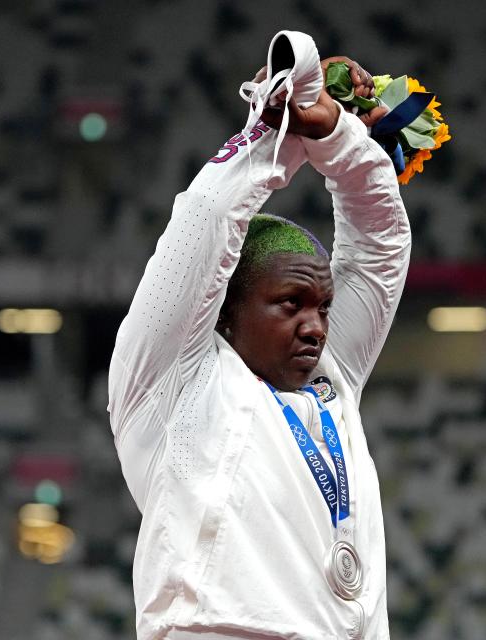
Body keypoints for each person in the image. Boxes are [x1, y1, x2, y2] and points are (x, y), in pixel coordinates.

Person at [108, 49, 411, 639]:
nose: (316, 327)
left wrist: (341, 140)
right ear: (225, 312)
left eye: (322, 308)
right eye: (290, 304)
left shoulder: (331, 379)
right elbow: (206, 221)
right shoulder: (170, 387)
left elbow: (380, 251)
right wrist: (278, 130)